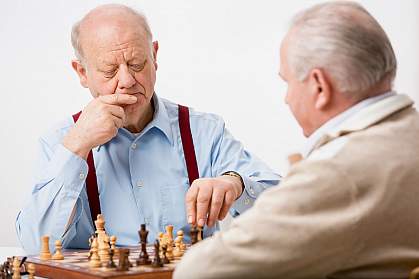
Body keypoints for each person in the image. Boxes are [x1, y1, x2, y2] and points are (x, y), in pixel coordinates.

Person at [174, 1, 419, 278]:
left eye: (288, 82)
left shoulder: (335, 172)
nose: (287, 98)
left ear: (319, 86)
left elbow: (199, 272)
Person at [15, 4, 280, 254]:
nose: (127, 81)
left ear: (154, 55)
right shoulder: (60, 142)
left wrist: (235, 182)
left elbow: (283, 208)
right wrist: (77, 146)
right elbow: (37, 246)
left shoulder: (203, 131)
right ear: (82, 73)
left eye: (137, 63)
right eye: (109, 71)